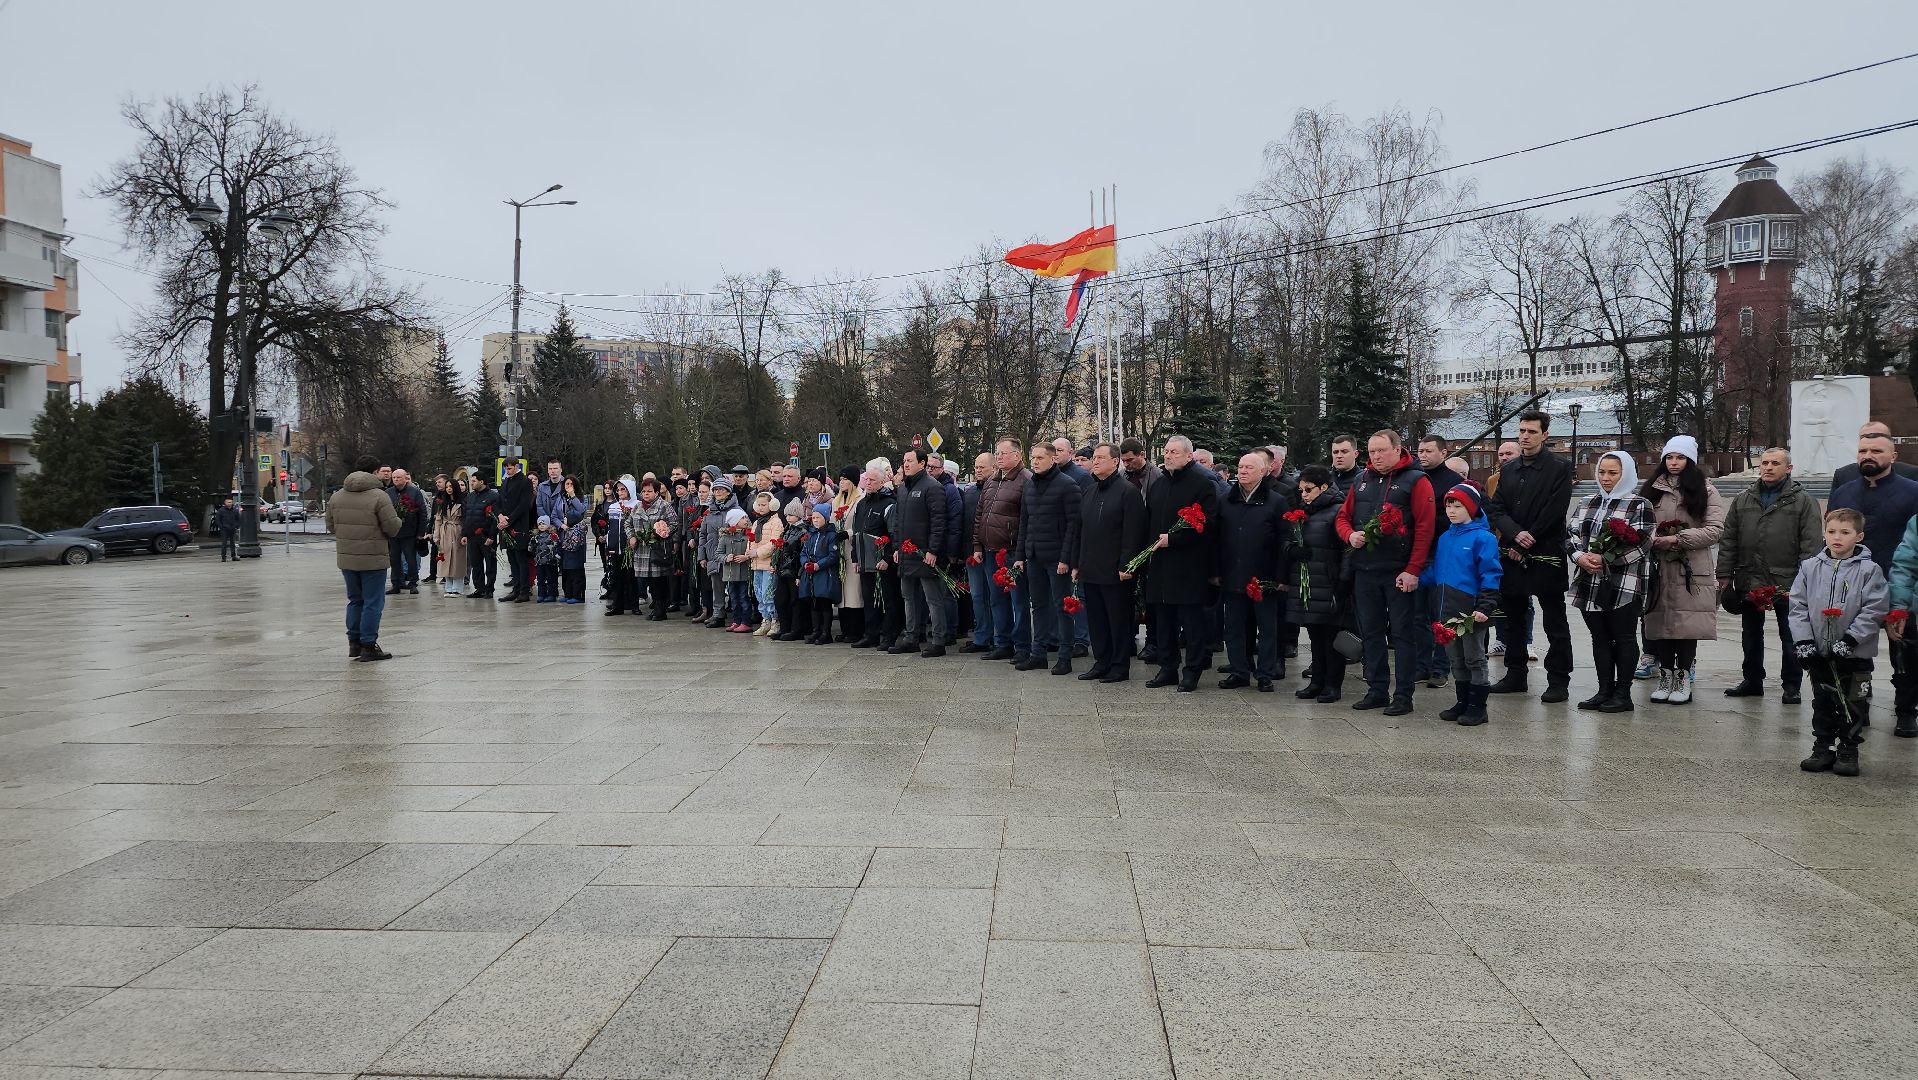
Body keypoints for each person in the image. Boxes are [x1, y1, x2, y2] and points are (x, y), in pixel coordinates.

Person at [1334, 429, 1437, 715]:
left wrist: (1413, 569)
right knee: (1371, 632)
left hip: (1398, 571)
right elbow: (1343, 517)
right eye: (1372, 452)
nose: (1376, 457)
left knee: (1402, 634)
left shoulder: (1416, 480)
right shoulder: (1362, 479)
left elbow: (1425, 528)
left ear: (1397, 449)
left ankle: (1403, 695)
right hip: (1365, 569)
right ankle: (1376, 689)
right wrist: (1349, 535)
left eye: (1381, 451)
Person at [1717, 447, 1822, 704]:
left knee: (1790, 635)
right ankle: (1752, 680)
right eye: (1764, 463)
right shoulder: (1743, 499)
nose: (1768, 467)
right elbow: (1729, 540)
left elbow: (1810, 545)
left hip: (1788, 581)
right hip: (1750, 577)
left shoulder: (1804, 501)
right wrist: (1724, 574)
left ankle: (1792, 685)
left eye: (1775, 463)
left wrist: (1804, 580)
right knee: (1751, 634)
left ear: (1788, 468)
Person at [1829, 431, 1918, 734]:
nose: (1868, 456)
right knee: (1856, 652)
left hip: (1898, 584)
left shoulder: (1912, 492)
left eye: (1877, 451)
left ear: (1893, 456)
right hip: (1852, 586)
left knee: (1904, 652)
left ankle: (1906, 710)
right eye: (1863, 450)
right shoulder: (1844, 492)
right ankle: (1858, 707)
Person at [1790, 508, 1888, 776]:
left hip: (1854, 654)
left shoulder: (1869, 570)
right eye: (1831, 531)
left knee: (1854, 702)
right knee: (1822, 701)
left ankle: (1848, 748)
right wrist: (1804, 642)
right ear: (1824, 534)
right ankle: (1823, 747)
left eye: (1845, 532)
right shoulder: (1810, 568)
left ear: (1859, 536)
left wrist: (1850, 640)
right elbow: (1798, 606)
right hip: (1820, 651)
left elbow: (1874, 609)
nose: (1837, 537)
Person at [1485, 411, 1575, 702]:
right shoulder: (1510, 469)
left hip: (1545, 552)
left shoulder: (1559, 467)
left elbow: (1555, 510)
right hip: (1512, 553)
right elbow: (1496, 509)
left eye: (1532, 431)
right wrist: (1514, 534)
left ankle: (1558, 680)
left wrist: (1527, 540)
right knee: (1513, 618)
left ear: (1544, 435)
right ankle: (1515, 674)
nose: (1525, 436)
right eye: (1522, 430)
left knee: (1554, 620)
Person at [1564, 451, 1654, 712]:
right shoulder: (1588, 501)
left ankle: (1623, 693)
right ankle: (1604, 689)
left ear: (1626, 474)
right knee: (1599, 637)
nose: (1606, 478)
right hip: (1590, 580)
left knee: (1623, 637)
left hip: (1624, 582)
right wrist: (1580, 557)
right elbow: (1570, 534)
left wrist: (1606, 559)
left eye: (1613, 473)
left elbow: (1643, 542)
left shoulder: (1639, 504)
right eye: (1602, 472)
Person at [1639, 436, 1726, 704]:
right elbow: (1640, 522)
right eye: (1669, 457)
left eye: (1680, 457)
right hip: (1659, 567)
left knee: (1687, 626)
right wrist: (1652, 538)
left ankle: (1683, 678)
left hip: (1691, 569)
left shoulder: (1705, 490)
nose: (1674, 462)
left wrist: (1678, 539)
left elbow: (1715, 530)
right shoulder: (1652, 489)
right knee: (1661, 624)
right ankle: (1665, 676)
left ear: (1690, 460)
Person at [1144, 435, 1222, 693]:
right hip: (1161, 565)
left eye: (1174, 452)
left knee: (1192, 624)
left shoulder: (1202, 484)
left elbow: (1208, 525)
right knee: (1164, 622)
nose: (1168, 456)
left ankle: (1192, 671)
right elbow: (1150, 522)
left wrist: (1175, 539)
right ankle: (1167, 668)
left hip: (1189, 566)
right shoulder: (1159, 484)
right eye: (1166, 451)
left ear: (1189, 456)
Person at [1422, 485, 1502, 726]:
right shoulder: (1445, 538)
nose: (1452, 511)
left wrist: (1485, 606)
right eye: (1448, 506)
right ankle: (1462, 701)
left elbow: (1490, 574)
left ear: (1472, 508)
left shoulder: (1484, 538)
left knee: (1474, 658)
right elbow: (1437, 571)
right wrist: (1414, 577)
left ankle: (1478, 707)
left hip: (1471, 611)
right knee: (1455, 659)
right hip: (1447, 609)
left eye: (1458, 506)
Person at [1075, 443, 1148, 682]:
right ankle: (1102, 661)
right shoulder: (1090, 491)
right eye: (1094, 458)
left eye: (1100, 458)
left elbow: (1133, 533)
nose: (1095, 461)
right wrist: (1077, 563)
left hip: (1116, 571)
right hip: (1091, 567)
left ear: (1115, 462)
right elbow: (1080, 531)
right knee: (1096, 620)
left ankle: (1119, 666)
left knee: (1117, 620)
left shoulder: (1128, 491)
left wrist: (1127, 565)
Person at [1217, 451, 1287, 691]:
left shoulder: (1276, 501)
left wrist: (1281, 576)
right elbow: (1216, 539)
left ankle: (1265, 673)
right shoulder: (1226, 500)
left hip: (1264, 577)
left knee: (1267, 628)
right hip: (1233, 574)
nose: (1243, 471)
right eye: (1240, 467)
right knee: (1234, 627)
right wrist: (1216, 570)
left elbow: (1285, 540)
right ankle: (1239, 671)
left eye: (1249, 467)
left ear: (1263, 472)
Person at [1284, 465, 1350, 703]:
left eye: (1308, 489)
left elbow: (1347, 549)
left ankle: (1333, 684)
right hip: (1309, 583)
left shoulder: (1338, 510)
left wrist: (1343, 581)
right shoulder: (1303, 511)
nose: (1304, 494)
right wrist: (1292, 550)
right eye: (1301, 490)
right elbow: (1288, 539)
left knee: (1331, 637)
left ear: (1323, 487)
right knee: (1315, 635)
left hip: (1329, 582)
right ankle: (1317, 681)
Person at [327, 455, 401, 661]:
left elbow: (331, 526)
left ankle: (354, 643)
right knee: (373, 602)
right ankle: (368, 645)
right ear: (376, 472)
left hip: (347, 558)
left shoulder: (337, 496)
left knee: (355, 600)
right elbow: (392, 527)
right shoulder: (379, 496)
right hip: (373, 558)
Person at [1017, 441, 1082, 674]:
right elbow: (1025, 523)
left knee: (1062, 607)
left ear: (1053, 459)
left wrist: (1067, 559)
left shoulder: (1068, 485)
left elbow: (1073, 527)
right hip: (1034, 556)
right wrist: (1021, 556)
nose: (1035, 462)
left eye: (1040, 458)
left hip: (1057, 559)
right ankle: (1038, 654)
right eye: (1033, 458)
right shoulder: (1030, 485)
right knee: (1038, 606)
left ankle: (1065, 656)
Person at [973, 438, 1031, 664]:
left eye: (1004, 453)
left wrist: (1021, 554)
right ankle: (1002, 643)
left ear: (1017, 456)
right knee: (996, 599)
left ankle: (1022, 646)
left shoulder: (1026, 480)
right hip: (990, 550)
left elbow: (1027, 520)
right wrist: (977, 545)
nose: (999, 457)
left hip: (1012, 552)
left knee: (1019, 601)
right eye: (997, 453)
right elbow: (980, 515)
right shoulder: (992, 481)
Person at [1415, 435, 1467, 689]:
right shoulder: (1415, 477)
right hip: (1417, 554)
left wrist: (1425, 521)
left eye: (1428, 451)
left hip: (1441, 554)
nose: (1423, 455)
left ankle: (1441, 668)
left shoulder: (1453, 482)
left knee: (1441, 614)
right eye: (1420, 451)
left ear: (1443, 453)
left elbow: (1456, 517)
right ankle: (1422, 665)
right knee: (1418, 615)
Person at [891, 448, 949, 657]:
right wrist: (896, 547)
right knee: (908, 597)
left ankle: (939, 641)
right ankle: (911, 638)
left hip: (925, 554)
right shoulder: (903, 489)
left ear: (922, 463)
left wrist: (933, 550)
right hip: (906, 553)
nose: (905, 464)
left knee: (933, 598)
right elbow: (898, 522)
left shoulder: (932, 487)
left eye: (910, 461)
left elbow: (939, 522)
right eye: (904, 461)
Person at [851, 461, 903, 650]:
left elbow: (893, 533)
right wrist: (855, 557)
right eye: (867, 479)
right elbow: (856, 532)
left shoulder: (889, 503)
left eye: (873, 480)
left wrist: (886, 558)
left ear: (882, 482)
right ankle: (871, 634)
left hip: (882, 561)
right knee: (869, 599)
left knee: (888, 599)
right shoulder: (862, 503)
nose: (868, 483)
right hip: (865, 559)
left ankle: (888, 636)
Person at [960, 451, 997, 654]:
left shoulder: (999, 488)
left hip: (992, 550)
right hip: (972, 552)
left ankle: (999, 637)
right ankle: (982, 636)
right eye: (976, 467)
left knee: (995, 597)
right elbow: (966, 522)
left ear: (993, 468)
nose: (978, 470)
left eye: (982, 467)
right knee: (977, 596)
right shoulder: (970, 491)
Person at [928, 453, 966, 646]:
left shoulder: (949, 490)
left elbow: (955, 523)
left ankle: (950, 630)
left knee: (946, 592)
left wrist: (952, 552)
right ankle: (941, 628)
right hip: (931, 547)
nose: (929, 470)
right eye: (927, 467)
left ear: (942, 469)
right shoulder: (928, 486)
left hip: (945, 549)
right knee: (935, 593)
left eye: (933, 467)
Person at [628, 478, 679, 621]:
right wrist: (631, 536)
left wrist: (662, 531)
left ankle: (661, 608)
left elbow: (674, 524)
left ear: (656, 492)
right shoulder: (637, 506)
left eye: (649, 491)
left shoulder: (664, 506)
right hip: (641, 550)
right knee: (649, 580)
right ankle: (656, 606)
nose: (646, 494)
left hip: (658, 550)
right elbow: (628, 523)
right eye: (644, 491)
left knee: (658, 580)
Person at [799, 503, 841, 644]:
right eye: (814, 518)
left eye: (818, 517)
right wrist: (805, 563)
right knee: (814, 602)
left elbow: (833, 555)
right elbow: (803, 552)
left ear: (826, 518)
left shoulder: (831, 535)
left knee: (824, 602)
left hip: (824, 573)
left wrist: (818, 565)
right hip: (811, 573)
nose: (815, 520)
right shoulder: (810, 535)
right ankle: (816, 630)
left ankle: (826, 633)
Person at [832, 466, 865, 644]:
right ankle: (845, 629)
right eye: (840, 479)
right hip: (839, 550)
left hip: (852, 549)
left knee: (854, 592)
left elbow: (861, 524)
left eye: (845, 479)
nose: (842, 482)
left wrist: (848, 533)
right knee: (842, 592)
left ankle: (855, 630)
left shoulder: (860, 499)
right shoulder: (837, 500)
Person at [1830, 420, 1918, 488]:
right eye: (1865, 437)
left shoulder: (1910, 474)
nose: (1871, 439)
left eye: (1878, 436)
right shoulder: (1843, 475)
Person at [496, 459, 536, 602]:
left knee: (521, 560)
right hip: (506, 525)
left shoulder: (525, 482)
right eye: (506, 469)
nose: (507, 471)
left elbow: (524, 505)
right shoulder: (506, 481)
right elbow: (500, 501)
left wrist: (509, 519)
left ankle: (524, 591)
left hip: (519, 526)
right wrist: (500, 515)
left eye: (510, 468)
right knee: (512, 559)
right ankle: (516, 589)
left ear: (517, 466)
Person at [602, 476, 642, 617]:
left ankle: (634, 605)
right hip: (615, 547)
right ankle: (617, 606)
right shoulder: (613, 506)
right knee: (616, 577)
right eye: (618, 490)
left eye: (623, 489)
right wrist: (608, 543)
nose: (620, 492)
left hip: (630, 547)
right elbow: (611, 527)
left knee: (631, 577)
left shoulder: (638, 505)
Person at [701, 480, 736, 627]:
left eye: (721, 489)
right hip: (713, 553)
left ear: (728, 492)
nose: (718, 492)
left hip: (731, 554)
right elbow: (703, 534)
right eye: (715, 490)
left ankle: (737, 616)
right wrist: (702, 556)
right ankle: (718, 614)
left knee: (733, 587)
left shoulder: (736, 510)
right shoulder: (709, 511)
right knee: (717, 586)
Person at [386, 467, 426, 595]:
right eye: (394, 477)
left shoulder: (414, 492)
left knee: (410, 559)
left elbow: (422, 512)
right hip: (393, 533)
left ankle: (413, 582)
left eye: (398, 477)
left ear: (405, 478)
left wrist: (421, 532)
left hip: (409, 532)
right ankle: (396, 584)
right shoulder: (388, 492)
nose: (396, 479)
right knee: (394, 559)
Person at [773, 498, 807, 640]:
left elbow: (802, 553)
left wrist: (799, 574)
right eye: (786, 515)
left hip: (794, 570)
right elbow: (780, 550)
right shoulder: (787, 530)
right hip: (783, 570)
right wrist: (775, 564)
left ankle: (796, 629)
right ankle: (784, 628)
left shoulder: (802, 530)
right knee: (781, 600)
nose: (788, 517)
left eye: (791, 515)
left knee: (795, 601)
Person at [462, 468, 499, 599]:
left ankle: (489, 589)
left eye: (473, 481)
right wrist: (464, 533)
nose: (471, 483)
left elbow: (495, 519)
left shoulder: (493, 496)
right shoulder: (470, 496)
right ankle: (480, 588)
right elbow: (467, 516)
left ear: (481, 482)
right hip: (472, 536)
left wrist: (492, 536)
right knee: (476, 564)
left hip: (486, 536)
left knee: (490, 564)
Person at [554, 476, 588, 604]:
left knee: (576, 567)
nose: (568, 486)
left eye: (571, 484)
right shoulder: (560, 498)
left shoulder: (581, 498)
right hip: (563, 535)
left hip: (576, 536)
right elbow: (554, 515)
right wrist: (561, 525)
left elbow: (581, 511)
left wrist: (573, 496)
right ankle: (567, 593)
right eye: (566, 484)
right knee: (565, 567)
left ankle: (578, 594)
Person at [719, 506, 753, 632]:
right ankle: (736, 621)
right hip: (730, 574)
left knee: (744, 598)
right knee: (733, 599)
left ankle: (746, 622)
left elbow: (752, 552)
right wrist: (725, 558)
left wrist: (746, 557)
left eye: (745, 517)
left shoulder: (749, 536)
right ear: (734, 521)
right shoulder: (725, 537)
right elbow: (718, 554)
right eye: (742, 518)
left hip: (744, 574)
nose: (746, 520)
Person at [434, 473, 468, 597]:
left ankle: (457, 588)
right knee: (445, 559)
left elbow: (466, 520)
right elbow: (438, 520)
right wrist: (436, 536)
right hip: (445, 532)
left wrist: (465, 534)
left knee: (457, 560)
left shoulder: (463, 502)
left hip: (458, 532)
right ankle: (448, 587)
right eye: (447, 486)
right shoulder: (443, 503)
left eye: (451, 487)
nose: (449, 489)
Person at [533, 515, 561, 602]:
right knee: (540, 579)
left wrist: (556, 557)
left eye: (544, 524)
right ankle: (541, 594)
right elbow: (531, 547)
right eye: (540, 524)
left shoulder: (553, 536)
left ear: (548, 525)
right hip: (539, 561)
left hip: (550, 561)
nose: (541, 525)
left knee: (551, 578)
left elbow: (557, 546)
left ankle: (552, 594)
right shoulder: (536, 537)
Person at [215, 496, 241, 562]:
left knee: (233, 543)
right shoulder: (221, 511)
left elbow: (238, 519)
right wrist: (221, 527)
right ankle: (223, 557)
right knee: (224, 544)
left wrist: (236, 526)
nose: (229, 503)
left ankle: (233, 556)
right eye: (228, 502)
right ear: (225, 503)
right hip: (224, 529)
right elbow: (218, 520)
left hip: (233, 529)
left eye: (230, 502)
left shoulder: (235, 510)